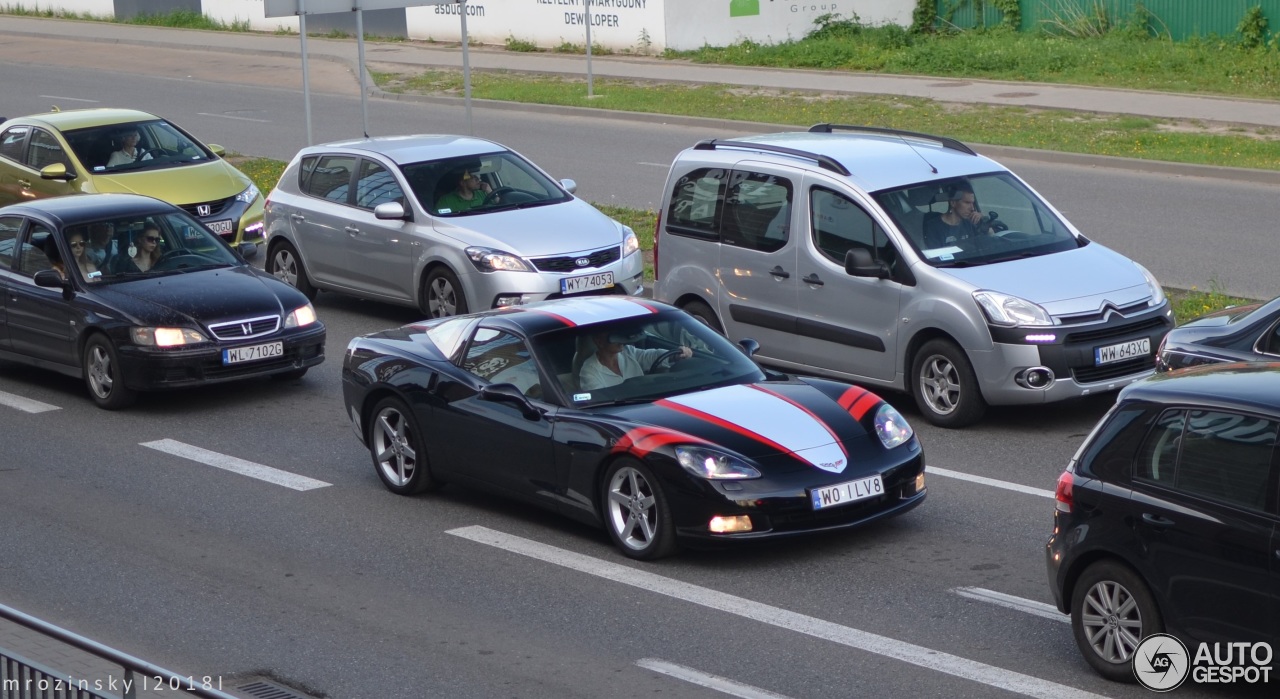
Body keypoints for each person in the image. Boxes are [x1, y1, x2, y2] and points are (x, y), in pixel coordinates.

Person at [578, 330, 692, 391]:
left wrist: (676, 355)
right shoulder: (589, 370)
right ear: (599, 341)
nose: (620, 337)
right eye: (613, 335)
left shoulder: (628, 352)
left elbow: (651, 356)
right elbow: (600, 400)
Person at [923, 182, 993, 248]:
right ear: (953, 203)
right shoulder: (933, 227)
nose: (972, 208)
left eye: (972, 203)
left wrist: (983, 222)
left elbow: (989, 242)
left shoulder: (970, 222)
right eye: (967, 203)